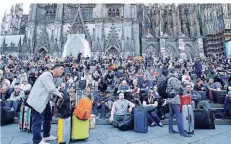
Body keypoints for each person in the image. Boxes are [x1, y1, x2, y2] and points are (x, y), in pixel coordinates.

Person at [27, 64, 64, 144]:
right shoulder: (46, 75)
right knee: (37, 121)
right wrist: (59, 94)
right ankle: (37, 141)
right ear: (55, 69)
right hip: (38, 101)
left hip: (44, 100)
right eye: (61, 69)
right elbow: (50, 89)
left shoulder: (50, 76)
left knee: (48, 117)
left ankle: (46, 135)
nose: (62, 71)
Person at [166, 68, 192, 137]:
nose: (177, 73)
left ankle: (170, 129)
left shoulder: (169, 78)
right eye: (176, 72)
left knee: (171, 115)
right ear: (174, 72)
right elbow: (176, 87)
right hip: (175, 99)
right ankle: (182, 132)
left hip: (170, 98)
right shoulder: (173, 79)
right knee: (178, 115)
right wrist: (183, 84)